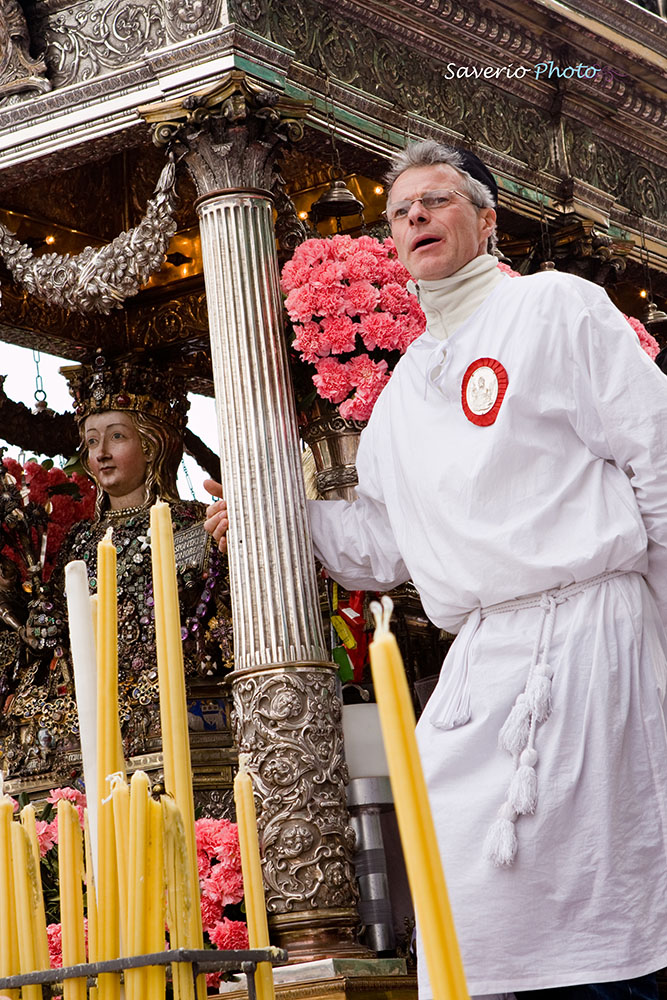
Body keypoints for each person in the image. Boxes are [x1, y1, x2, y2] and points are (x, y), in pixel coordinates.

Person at [206, 139, 667, 1000]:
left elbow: (657, 457)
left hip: (595, 631)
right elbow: (382, 546)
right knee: (466, 905)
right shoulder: (407, 388)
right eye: (398, 210)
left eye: (437, 200)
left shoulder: (557, 309)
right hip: (482, 662)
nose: (414, 215)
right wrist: (279, 521)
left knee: (607, 890)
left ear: (486, 221)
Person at [0, 353, 233, 779]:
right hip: (83, 705)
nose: (102, 453)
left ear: (152, 443)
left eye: (117, 436)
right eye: (91, 442)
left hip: (170, 698)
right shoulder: (79, 540)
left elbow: (217, 616)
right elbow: (54, 623)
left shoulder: (196, 526)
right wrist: (42, 624)